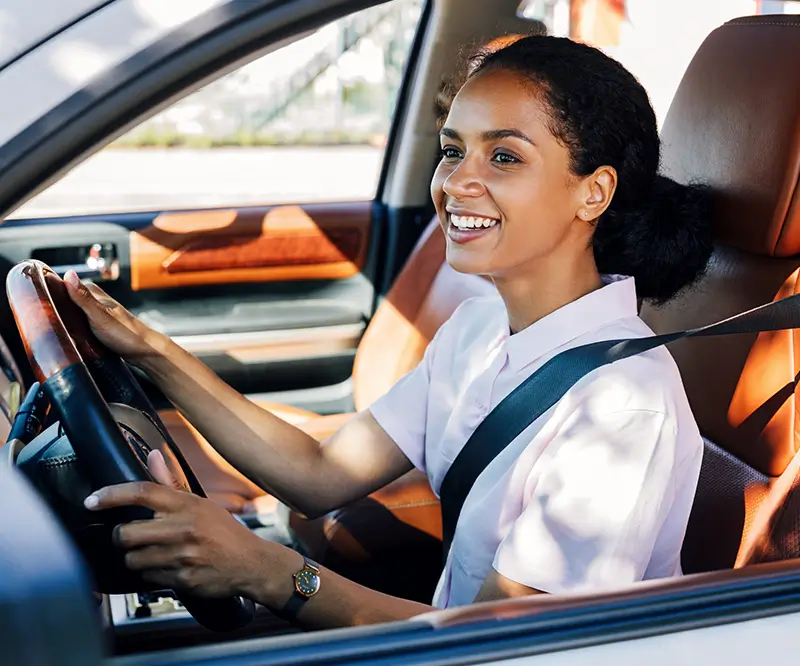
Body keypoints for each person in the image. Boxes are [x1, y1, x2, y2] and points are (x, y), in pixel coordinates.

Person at [68, 34, 712, 629]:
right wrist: (149, 350)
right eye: (453, 150)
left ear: (593, 193)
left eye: (505, 156)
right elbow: (319, 472)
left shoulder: (622, 404)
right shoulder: (478, 327)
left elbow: (505, 643)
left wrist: (265, 569)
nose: (457, 182)